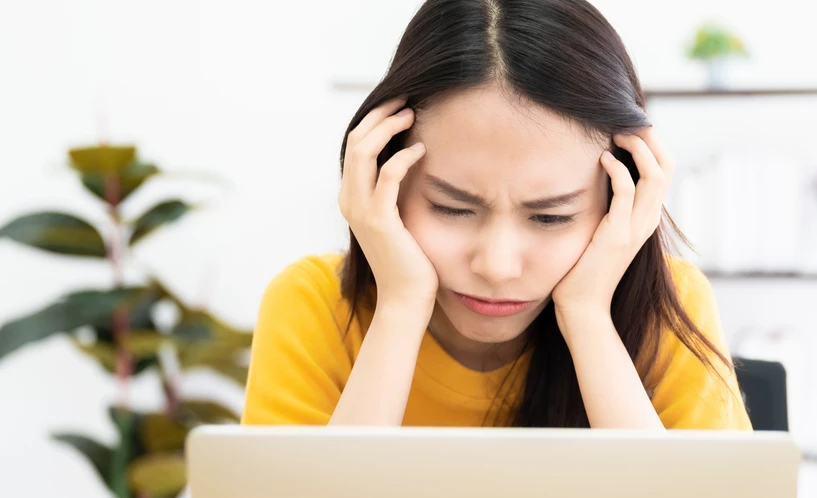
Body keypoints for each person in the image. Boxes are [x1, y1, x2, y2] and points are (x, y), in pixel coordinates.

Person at [241, 0, 752, 430]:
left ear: (625, 199)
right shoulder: (313, 306)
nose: (498, 266)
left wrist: (588, 317)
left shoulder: (669, 307)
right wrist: (400, 306)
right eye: (452, 207)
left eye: (551, 217)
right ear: (378, 178)